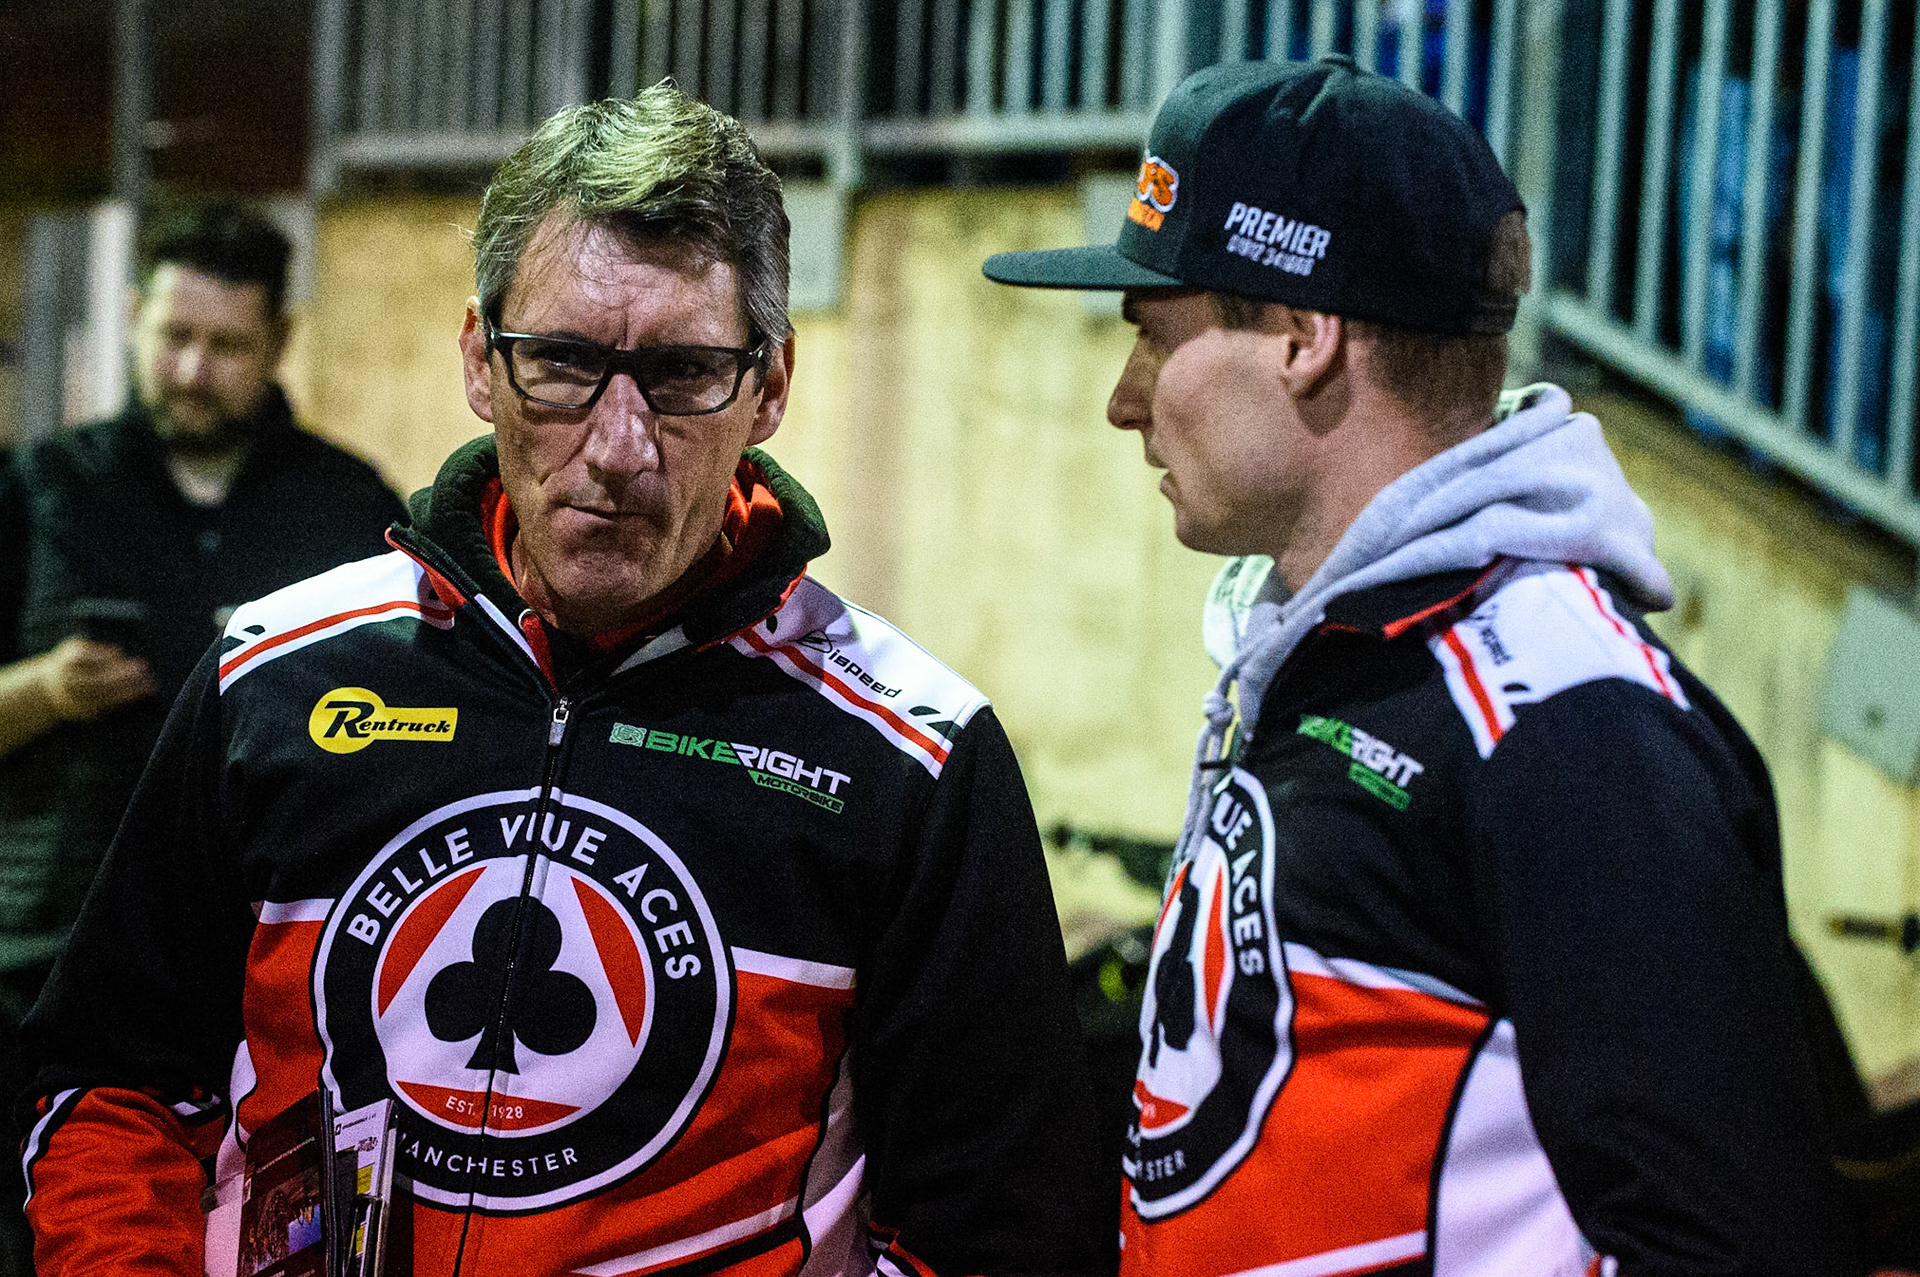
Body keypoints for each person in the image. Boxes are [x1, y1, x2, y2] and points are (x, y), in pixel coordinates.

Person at [19, 83, 1112, 1277]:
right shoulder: (276, 673)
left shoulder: (911, 755)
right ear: (481, 361)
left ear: (773, 386)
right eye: (563, 363)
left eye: (686, 373)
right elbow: (109, 1082)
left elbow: (1002, 1226)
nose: (619, 442)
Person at [984, 57, 1851, 1276]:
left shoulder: (1566, 721)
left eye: (1153, 336)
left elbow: (1737, 1242)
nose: (1126, 401)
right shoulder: (1332, 644)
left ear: (1301, 335)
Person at [0, 201, 405, 1272]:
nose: (191, 367)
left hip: (271, 997)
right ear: (132, 319)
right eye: (172, 336)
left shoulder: (345, 506)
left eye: (225, 345)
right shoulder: (40, 491)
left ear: (278, 342)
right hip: (40, 969)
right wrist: (41, 690)